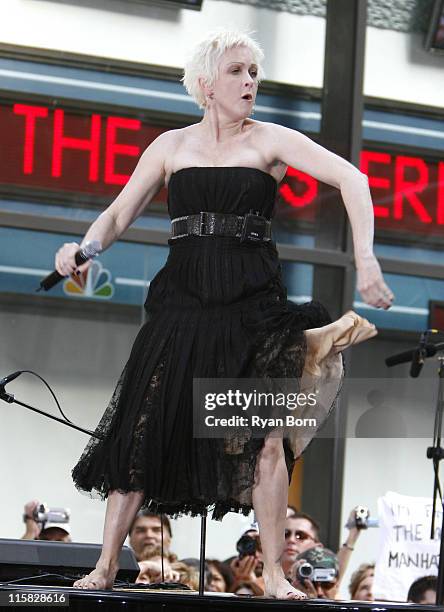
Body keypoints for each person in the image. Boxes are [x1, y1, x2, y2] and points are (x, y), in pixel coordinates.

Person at [56, 29, 394, 598]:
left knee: (264, 436)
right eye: (237, 72)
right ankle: (105, 564)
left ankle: (278, 575)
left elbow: (353, 179)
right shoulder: (170, 146)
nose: (250, 83)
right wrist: (81, 251)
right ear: (207, 84)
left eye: (254, 73)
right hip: (181, 304)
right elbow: (116, 216)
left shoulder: (269, 140)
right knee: (140, 431)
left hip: (251, 307)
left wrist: (365, 260)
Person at [281, 511, 321, 579]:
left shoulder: (323, 586)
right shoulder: (259, 586)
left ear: (317, 547)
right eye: (285, 534)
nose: (291, 540)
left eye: (301, 536)